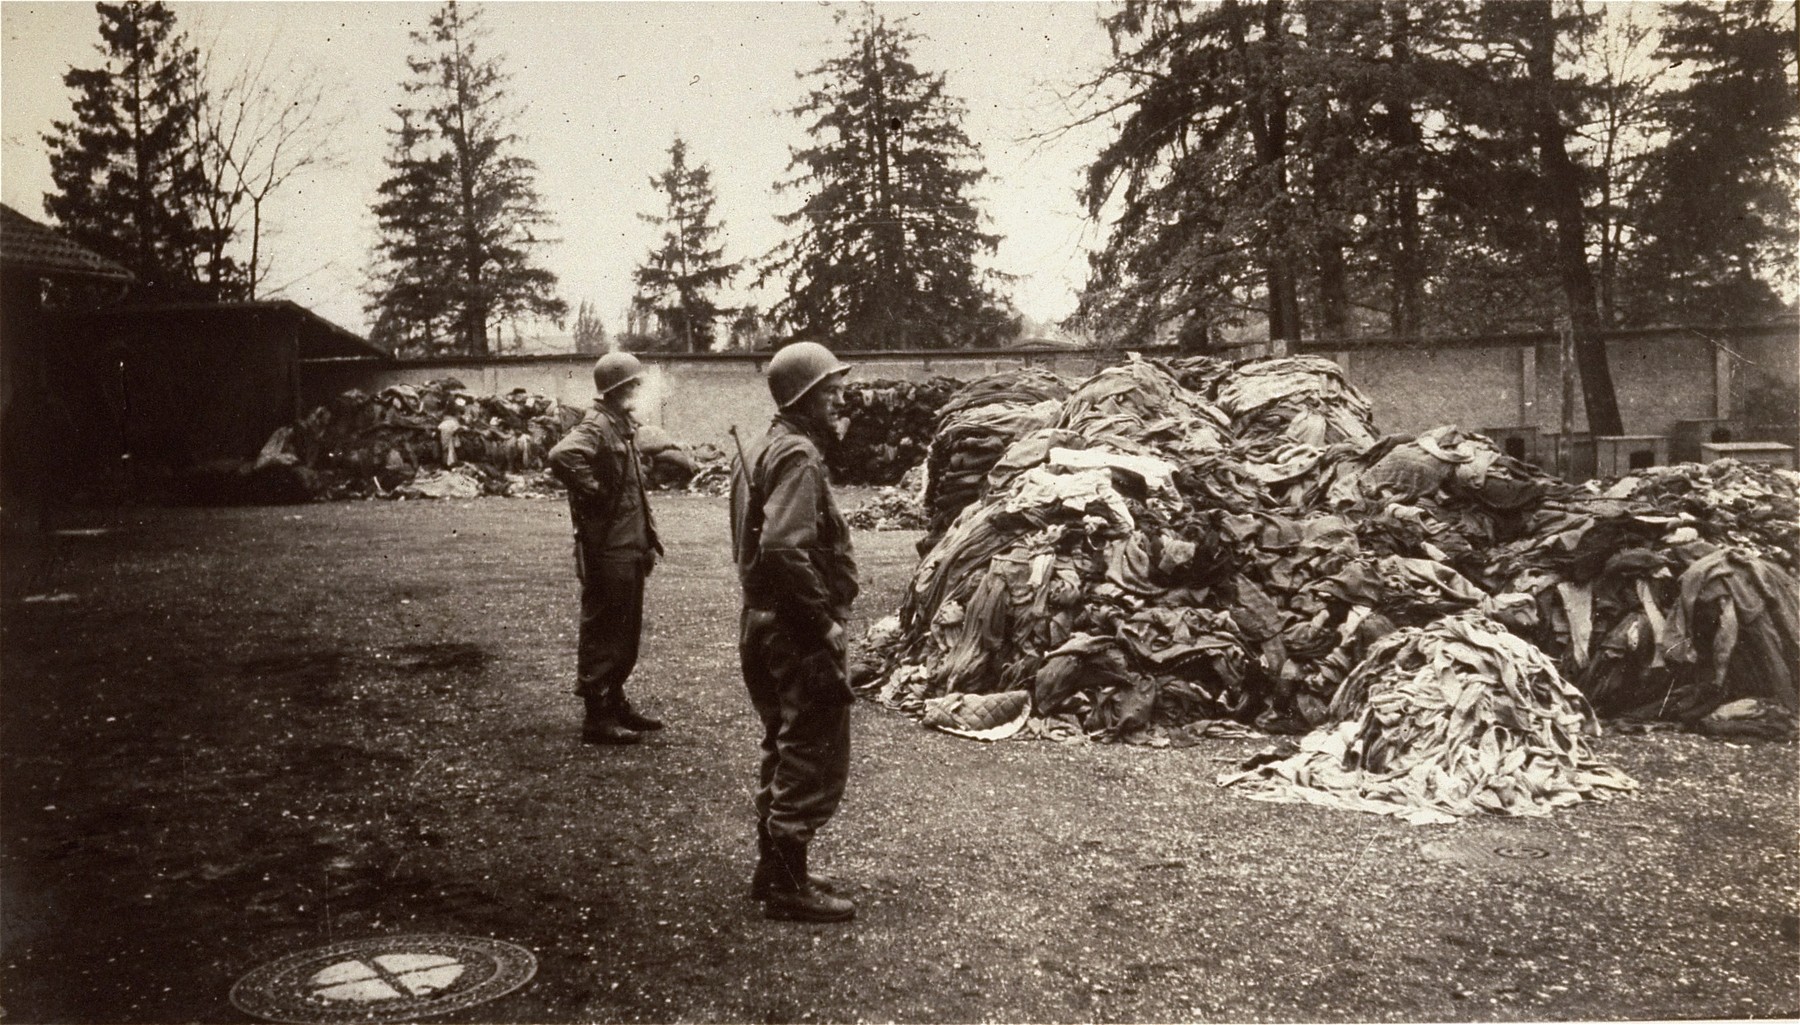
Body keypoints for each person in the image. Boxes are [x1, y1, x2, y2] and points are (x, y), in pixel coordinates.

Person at [730, 341, 860, 922]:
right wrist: (823, 624)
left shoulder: (758, 448)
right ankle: (788, 885)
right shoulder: (798, 455)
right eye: (830, 390)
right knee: (811, 748)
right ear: (804, 397)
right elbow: (782, 547)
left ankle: (774, 870)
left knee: (783, 743)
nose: (841, 398)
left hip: (761, 623)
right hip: (795, 631)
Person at [548, 352, 665, 746]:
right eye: (635, 384)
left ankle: (615, 702)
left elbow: (633, 489)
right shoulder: (599, 424)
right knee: (604, 630)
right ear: (621, 389)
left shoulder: (621, 424)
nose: (640, 390)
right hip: (609, 547)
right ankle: (597, 717)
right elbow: (563, 455)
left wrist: (647, 538)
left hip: (629, 543)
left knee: (625, 632)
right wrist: (593, 491)